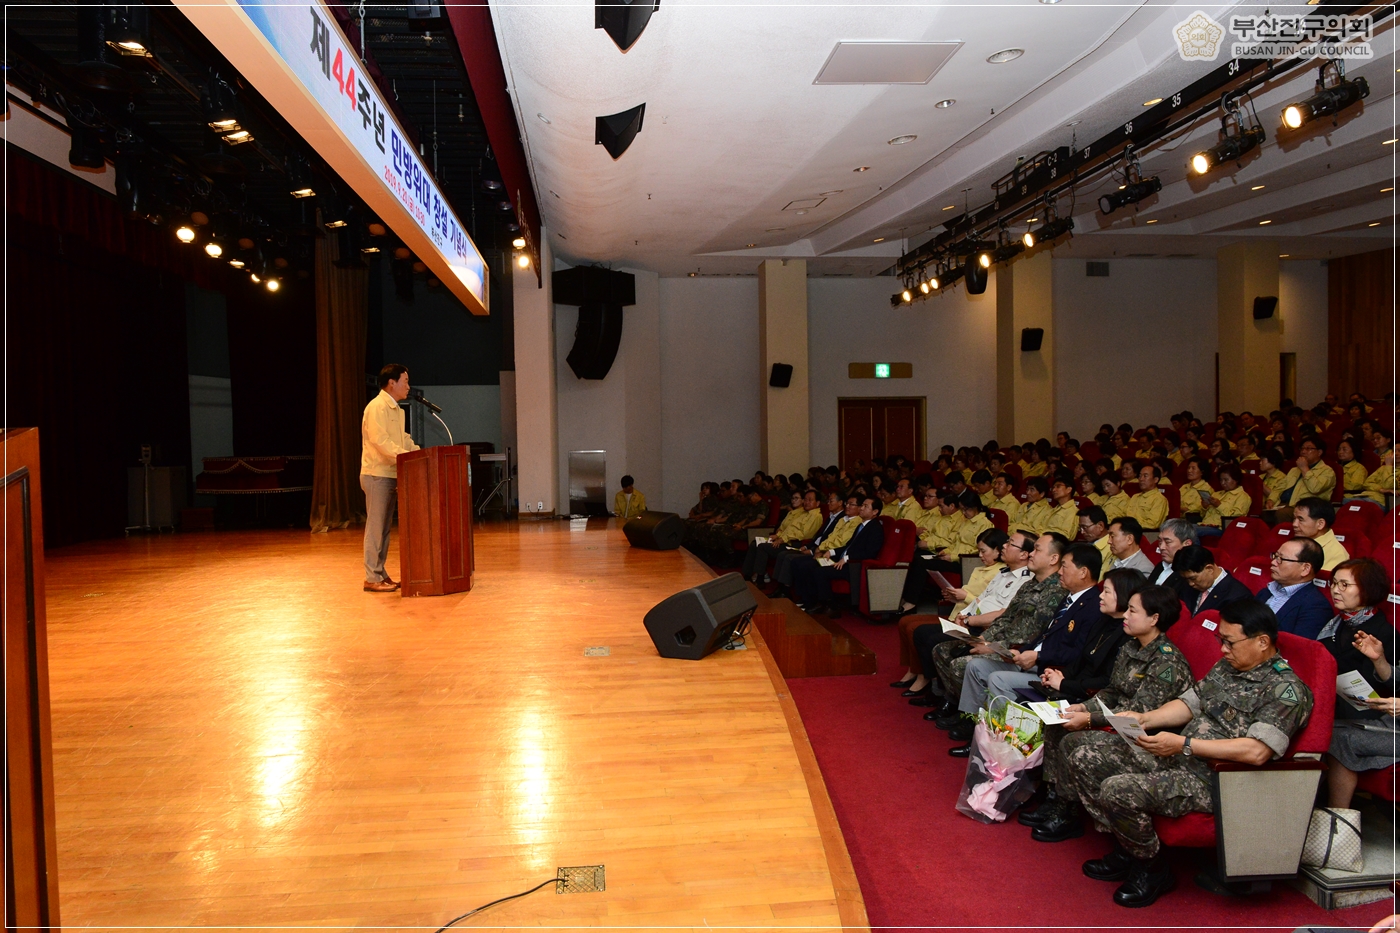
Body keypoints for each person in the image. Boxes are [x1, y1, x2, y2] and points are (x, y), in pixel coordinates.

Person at [1066, 600, 1313, 908]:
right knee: (1084, 755)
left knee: (1117, 790)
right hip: (1179, 756)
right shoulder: (1229, 665)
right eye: (1220, 640)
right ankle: (1127, 847)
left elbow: (1257, 752)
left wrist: (1185, 745)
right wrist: (1146, 719)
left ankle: (1151, 868)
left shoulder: (1284, 689)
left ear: (1262, 642)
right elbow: (1189, 703)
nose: (1222, 649)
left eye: (1229, 642)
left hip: (1217, 780)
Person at [1025, 582, 1194, 843]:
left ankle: (1099, 823)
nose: (1125, 616)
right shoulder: (1131, 647)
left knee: (1076, 742)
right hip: (1120, 723)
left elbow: (1139, 715)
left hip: (1146, 739)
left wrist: (1090, 718)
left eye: (1133, 611)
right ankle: (1060, 801)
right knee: (1057, 724)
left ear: (1154, 619)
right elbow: (1113, 692)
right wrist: (1083, 707)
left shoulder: (1166, 662)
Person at [946, 543, 1107, 758]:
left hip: (1052, 671)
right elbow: (1043, 635)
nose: (1060, 571)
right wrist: (1020, 652)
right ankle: (973, 727)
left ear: (1083, 572)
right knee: (976, 666)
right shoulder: (1070, 598)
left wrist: (1038, 656)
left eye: (1065, 567)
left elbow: (1077, 653)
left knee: (997, 679)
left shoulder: (1092, 606)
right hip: (1031, 659)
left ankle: (1000, 744)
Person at [920, 532, 1067, 725]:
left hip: (1016, 652)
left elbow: (1031, 635)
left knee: (962, 664)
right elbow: (1005, 618)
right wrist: (984, 639)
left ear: (1053, 558)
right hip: (997, 640)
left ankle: (973, 721)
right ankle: (961, 707)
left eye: (1037, 549)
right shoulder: (1029, 585)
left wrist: (991, 645)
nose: (1031, 554)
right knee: (942, 649)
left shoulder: (1056, 591)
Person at [893, 528, 1017, 701]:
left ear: (997, 550)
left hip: (973, 621)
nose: (980, 555)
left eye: (983, 551)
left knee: (919, 630)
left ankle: (927, 680)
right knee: (906, 621)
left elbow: (986, 605)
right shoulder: (984, 570)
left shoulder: (1001, 573)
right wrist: (955, 597)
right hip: (961, 614)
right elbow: (980, 599)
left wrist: (964, 598)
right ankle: (914, 670)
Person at [1318, 559, 1398, 808]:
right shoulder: (1336, 624)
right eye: (1334, 583)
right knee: (1328, 732)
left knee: (1335, 737)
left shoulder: (1383, 631)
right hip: (1379, 716)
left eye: (1345, 585)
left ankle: (1337, 817)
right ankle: (1336, 816)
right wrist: (1381, 661)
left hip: (1385, 720)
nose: (1335, 590)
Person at [360, 363, 420, 592]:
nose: (408, 386)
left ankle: (380, 574)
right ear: (391, 383)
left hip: (391, 473)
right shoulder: (376, 407)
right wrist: (406, 457)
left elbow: (401, 438)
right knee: (376, 527)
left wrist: (416, 452)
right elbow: (380, 441)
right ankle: (371, 577)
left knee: (384, 529)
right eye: (405, 381)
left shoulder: (397, 409)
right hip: (377, 474)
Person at [791, 495, 884, 617]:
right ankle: (810, 601)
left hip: (854, 565)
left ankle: (829, 605)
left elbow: (869, 552)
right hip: (842, 559)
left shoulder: (875, 528)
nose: (861, 508)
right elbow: (849, 546)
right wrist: (832, 552)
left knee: (819, 571)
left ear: (875, 512)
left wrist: (846, 558)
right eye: (862, 505)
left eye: (866, 506)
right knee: (807, 564)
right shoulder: (862, 525)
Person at [770, 493, 855, 598]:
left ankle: (795, 594)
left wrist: (815, 550)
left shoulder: (843, 518)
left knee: (794, 560)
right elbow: (820, 536)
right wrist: (808, 547)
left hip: (829, 552)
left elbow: (838, 541)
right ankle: (782, 588)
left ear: (840, 502)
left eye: (831, 501)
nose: (828, 503)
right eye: (828, 501)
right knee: (786, 555)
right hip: (818, 548)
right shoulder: (833, 517)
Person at [1258, 537, 1332, 639]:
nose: (1273, 562)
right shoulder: (1266, 592)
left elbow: (1297, 649)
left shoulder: (1316, 607)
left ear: (1305, 569)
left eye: (1281, 559)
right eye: (1275, 556)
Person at [742, 489, 822, 582]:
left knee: (762, 547)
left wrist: (782, 539)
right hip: (785, 539)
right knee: (754, 543)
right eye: (806, 499)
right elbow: (787, 528)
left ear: (818, 503)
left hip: (795, 543)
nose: (807, 502)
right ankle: (747, 574)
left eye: (810, 500)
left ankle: (761, 577)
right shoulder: (804, 514)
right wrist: (778, 535)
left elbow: (803, 534)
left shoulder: (815, 516)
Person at [1173, 545, 1253, 615]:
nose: (1191, 584)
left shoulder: (1239, 596)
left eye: (1193, 578)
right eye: (1186, 579)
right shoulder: (1186, 586)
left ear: (1209, 569)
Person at [1291, 497, 1349, 572]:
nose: (1294, 524)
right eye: (1294, 519)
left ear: (1320, 524)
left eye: (1300, 519)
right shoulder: (1296, 543)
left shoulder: (1337, 554)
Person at [1283, 437, 1336, 504]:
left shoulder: (1328, 471)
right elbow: (1281, 487)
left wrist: (1304, 468)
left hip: (1308, 508)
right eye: (1302, 448)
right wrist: (1272, 500)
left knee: (1282, 513)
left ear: (1319, 452)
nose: (1303, 451)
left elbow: (1315, 489)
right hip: (1285, 504)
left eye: (1308, 448)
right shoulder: (1294, 470)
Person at [1127, 464, 1168, 531]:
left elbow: (1153, 524)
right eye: (1140, 476)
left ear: (1155, 480)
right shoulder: (1135, 496)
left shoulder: (1159, 499)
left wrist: (1132, 525)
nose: (1141, 479)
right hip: (1130, 531)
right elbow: (1128, 516)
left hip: (1147, 533)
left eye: (1145, 476)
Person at [1044, 473, 1080, 540]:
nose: (1054, 490)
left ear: (1069, 489)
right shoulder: (1053, 509)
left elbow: (1066, 535)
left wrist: (1045, 536)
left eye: (1058, 486)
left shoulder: (1073, 511)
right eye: (1053, 487)